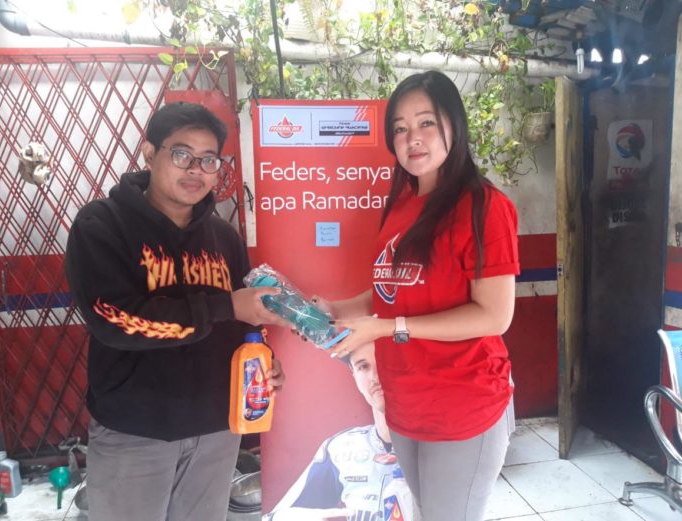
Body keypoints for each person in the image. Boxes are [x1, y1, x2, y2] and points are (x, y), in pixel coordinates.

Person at [65, 101, 288, 521]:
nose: (195, 170)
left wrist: (263, 360)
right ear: (150, 154)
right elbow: (115, 321)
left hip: (216, 428)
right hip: (136, 432)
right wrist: (226, 305)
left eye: (209, 160)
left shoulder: (223, 237)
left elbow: (240, 321)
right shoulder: (102, 225)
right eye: (182, 154)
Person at [323, 70, 520, 521]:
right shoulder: (401, 206)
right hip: (405, 401)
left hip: (463, 405)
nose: (412, 137)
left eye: (426, 122)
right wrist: (333, 310)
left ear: (454, 124)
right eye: (400, 128)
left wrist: (387, 329)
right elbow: (390, 293)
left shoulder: (484, 207)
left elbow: (494, 316)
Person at [264, 343, 419, 521]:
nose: (375, 376)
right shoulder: (342, 448)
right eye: (363, 366)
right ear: (354, 375)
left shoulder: (439, 449)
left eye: (384, 362)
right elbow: (275, 517)